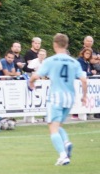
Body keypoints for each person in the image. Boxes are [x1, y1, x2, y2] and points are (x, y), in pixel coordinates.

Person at [28, 33, 87, 166]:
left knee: (52, 127)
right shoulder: (74, 62)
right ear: (66, 45)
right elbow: (84, 80)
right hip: (69, 98)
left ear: (54, 45)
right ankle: (66, 143)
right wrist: (84, 96)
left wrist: (31, 82)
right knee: (58, 125)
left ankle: (63, 155)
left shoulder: (51, 61)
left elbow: (37, 75)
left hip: (56, 97)